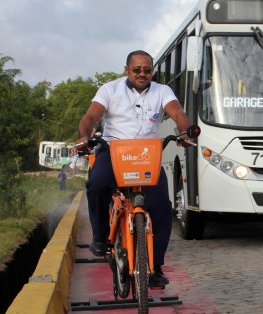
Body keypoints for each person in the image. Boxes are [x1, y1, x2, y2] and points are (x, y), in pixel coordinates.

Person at [76, 50, 191, 288]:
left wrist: (185, 131)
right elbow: (90, 117)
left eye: (147, 70)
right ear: (127, 69)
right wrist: (84, 136)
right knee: (96, 184)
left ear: (152, 72)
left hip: (146, 155)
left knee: (161, 206)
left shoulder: (163, 91)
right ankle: (100, 237)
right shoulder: (109, 90)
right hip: (113, 150)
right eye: (136, 69)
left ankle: (155, 267)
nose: (142, 74)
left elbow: (178, 114)